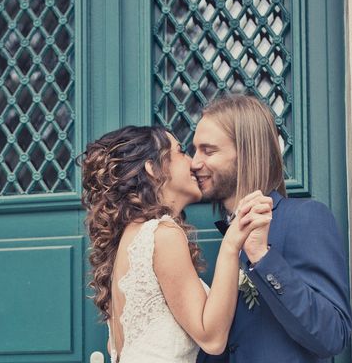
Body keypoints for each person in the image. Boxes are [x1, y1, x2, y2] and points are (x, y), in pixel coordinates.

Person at [81, 125, 272, 363]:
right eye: (181, 152)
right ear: (153, 168)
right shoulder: (161, 233)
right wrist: (231, 245)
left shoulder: (130, 239)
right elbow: (212, 339)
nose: (193, 163)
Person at [192, 94, 352, 363]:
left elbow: (333, 335)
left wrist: (262, 258)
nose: (194, 163)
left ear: (246, 153)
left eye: (208, 151)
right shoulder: (228, 236)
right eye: (194, 150)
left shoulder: (305, 218)